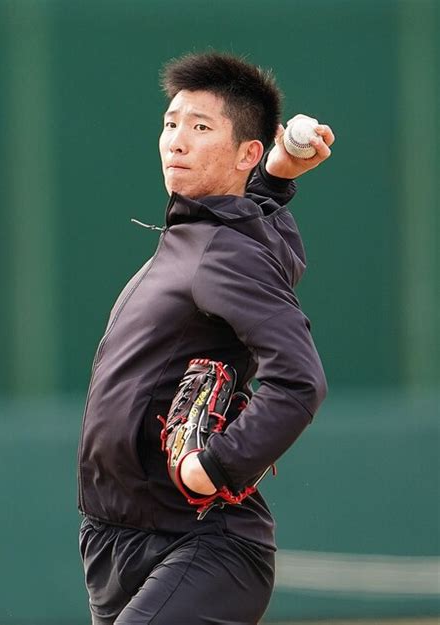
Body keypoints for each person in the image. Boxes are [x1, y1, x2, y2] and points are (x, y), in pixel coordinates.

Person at [77, 51, 335, 625]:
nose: (177, 140)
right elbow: (250, 225)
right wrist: (272, 176)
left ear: (246, 149)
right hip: (117, 542)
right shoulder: (203, 235)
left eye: (200, 127)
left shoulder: (224, 252)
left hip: (201, 544)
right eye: (171, 123)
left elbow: (299, 381)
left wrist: (217, 464)